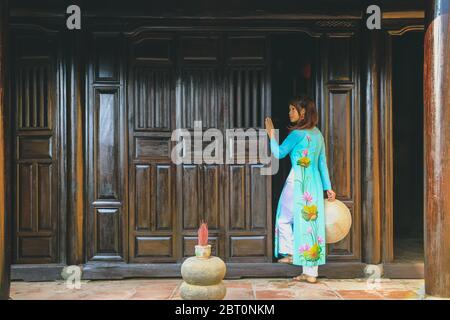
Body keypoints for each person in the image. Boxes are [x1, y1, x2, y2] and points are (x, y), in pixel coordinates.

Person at [265, 95, 336, 284]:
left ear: (303, 113)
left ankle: (288, 252)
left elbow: (279, 153)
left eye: (292, 110)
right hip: (314, 185)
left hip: (297, 181)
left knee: (283, 219)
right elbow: (322, 165)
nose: (290, 113)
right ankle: (310, 273)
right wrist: (328, 188)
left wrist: (271, 135)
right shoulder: (317, 134)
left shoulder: (297, 134)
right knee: (310, 225)